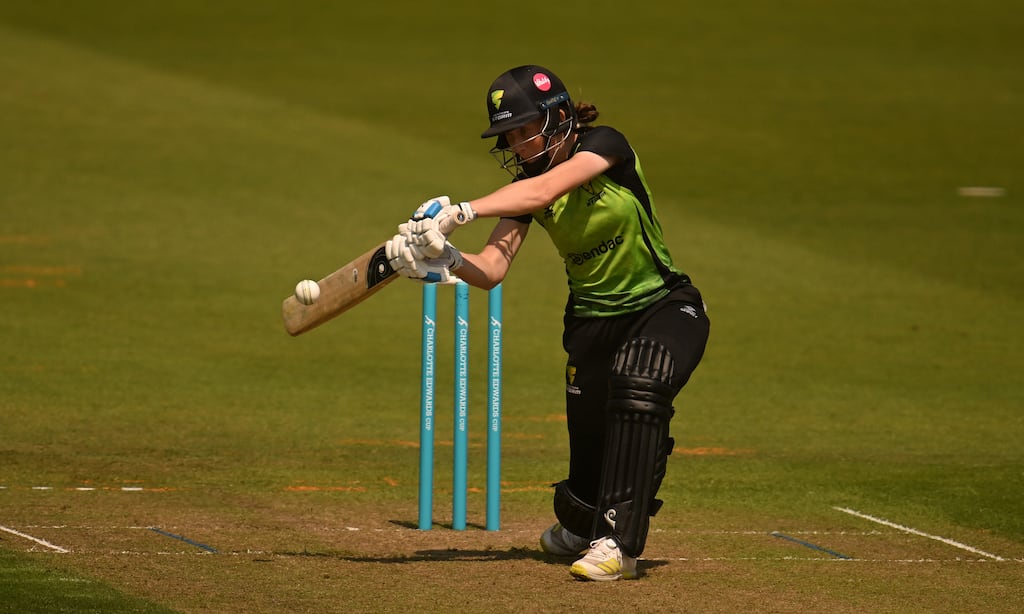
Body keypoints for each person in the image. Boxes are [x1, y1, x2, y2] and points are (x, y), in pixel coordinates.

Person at [386, 65, 710, 581]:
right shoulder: (524, 186)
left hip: (663, 307)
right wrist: (445, 257)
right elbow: (491, 270)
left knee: (640, 381)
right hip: (590, 327)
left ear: (558, 116)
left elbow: (543, 194)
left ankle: (618, 546)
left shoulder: (605, 145)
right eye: (507, 136)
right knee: (584, 485)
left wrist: (460, 211)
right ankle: (588, 524)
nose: (515, 144)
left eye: (521, 129)